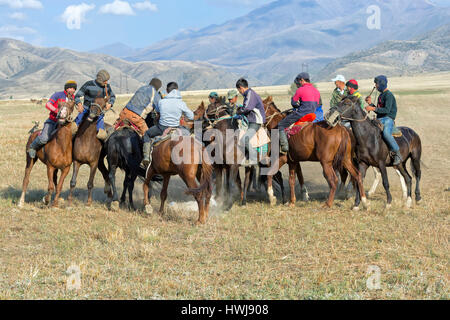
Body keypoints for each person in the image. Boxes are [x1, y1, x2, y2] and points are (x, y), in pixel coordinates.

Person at [143, 82, 194, 167]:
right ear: (177, 90)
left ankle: (146, 157)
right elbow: (191, 116)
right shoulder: (181, 103)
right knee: (188, 135)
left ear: (167, 91)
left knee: (147, 134)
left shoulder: (161, 102)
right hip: (176, 128)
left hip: (162, 128)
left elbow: (157, 112)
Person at [117, 78, 164, 165]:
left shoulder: (142, 88)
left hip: (124, 113)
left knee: (115, 127)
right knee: (148, 135)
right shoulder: (155, 94)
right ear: (158, 87)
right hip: (136, 117)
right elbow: (159, 109)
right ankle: (146, 159)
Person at [27, 80, 78, 159]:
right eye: (70, 88)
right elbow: (48, 104)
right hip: (53, 121)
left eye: (74, 88)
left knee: (75, 137)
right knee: (44, 138)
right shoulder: (58, 95)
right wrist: (57, 111)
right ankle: (32, 147)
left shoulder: (73, 98)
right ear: (66, 88)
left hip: (66, 123)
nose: (72, 90)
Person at [278, 72, 321, 154]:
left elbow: (294, 103)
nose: (298, 83)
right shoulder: (316, 91)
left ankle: (284, 147)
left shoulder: (300, 90)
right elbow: (317, 104)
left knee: (281, 125)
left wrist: (298, 106)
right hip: (312, 115)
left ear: (302, 80)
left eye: (299, 81)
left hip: (302, 114)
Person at [365, 75, 402, 166]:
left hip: (388, 118)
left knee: (386, 133)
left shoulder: (389, 95)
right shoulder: (381, 95)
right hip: (380, 118)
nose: (375, 86)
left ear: (381, 84)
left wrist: (372, 109)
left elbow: (386, 110)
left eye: (376, 84)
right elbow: (379, 108)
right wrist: (371, 104)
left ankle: (397, 152)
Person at [74, 70, 116, 140]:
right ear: (99, 79)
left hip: (99, 114)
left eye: (107, 81)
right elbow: (77, 96)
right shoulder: (88, 84)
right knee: (73, 129)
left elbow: (113, 96)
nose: (106, 82)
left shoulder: (107, 87)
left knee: (102, 136)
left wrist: (110, 104)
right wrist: (79, 104)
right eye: (105, 81)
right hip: (85, 111)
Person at [235, 78, 266, 165]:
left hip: (255, 122)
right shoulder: (248, 94)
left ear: (241, 88)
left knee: (245, 139)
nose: (239, 92)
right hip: (251, 121)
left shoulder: (250, 94)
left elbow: (247, 108)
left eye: (239, 90)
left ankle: (253, 158)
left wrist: (238, 111)